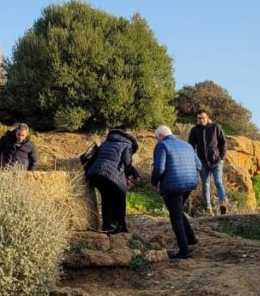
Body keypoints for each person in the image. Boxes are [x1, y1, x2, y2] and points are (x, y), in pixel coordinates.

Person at [152, 125, 203, 259]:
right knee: (178, 212)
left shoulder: (162, 146)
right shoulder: (187, 145)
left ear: (160, 136)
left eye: (156, 138)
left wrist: (153, 182)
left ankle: (184, 251)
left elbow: (159, 169)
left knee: (176, 218)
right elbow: (199, 165)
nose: (157, 141)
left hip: (173, 186)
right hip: (189, 184)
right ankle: (191, 239)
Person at [83, 128, 140, 234]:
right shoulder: (127, 145)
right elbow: (127, 163)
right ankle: (120, 225)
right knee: (120, 197)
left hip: (95, 174)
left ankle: (108, 225)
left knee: (107, 198)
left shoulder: (106, 143)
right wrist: (130, 175)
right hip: (110, 174)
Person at [188, 108, 228, 214]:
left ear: (208, 118)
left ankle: (223, 203)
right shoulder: (194, 130)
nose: (201, 120)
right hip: (202, 162)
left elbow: (223, 142)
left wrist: (222, 158)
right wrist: (194, 160)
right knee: (205, 185)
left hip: (216, 160)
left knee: (218, 182)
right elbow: (191, 146)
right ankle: (208, 208)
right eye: (199, 118)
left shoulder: (215, 127)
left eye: (203, 118)